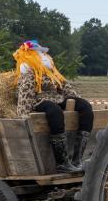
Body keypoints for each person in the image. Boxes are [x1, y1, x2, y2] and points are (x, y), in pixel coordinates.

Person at [13, 40, 93, 173]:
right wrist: (24, 114)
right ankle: (62, 162)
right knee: (54, 111)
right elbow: (25, 95)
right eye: (39, 52)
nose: (43, 55)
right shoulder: (28, 72)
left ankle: (77, 159)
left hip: (57, 98)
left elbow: (63, 85)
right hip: (39, 101)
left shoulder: (51, 71)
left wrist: (75, 97)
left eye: (42, 52)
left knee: (85, 107)